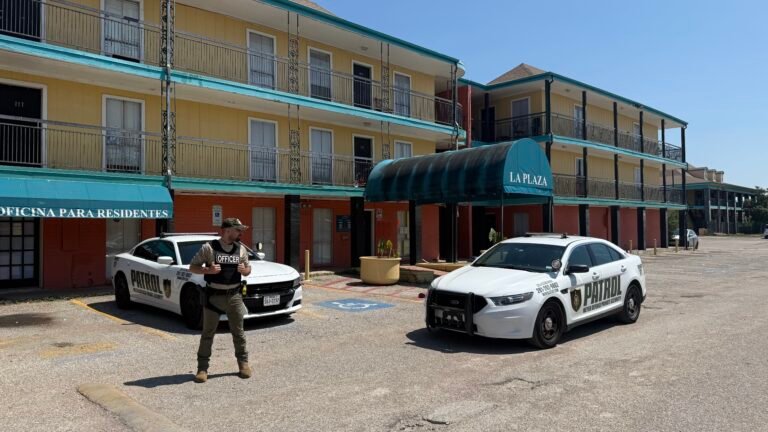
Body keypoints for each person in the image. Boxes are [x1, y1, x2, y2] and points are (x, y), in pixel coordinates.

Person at [188, 217, 252, 383]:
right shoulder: (209, 248)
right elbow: (192, 267)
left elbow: (248, 269)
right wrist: (208, 270)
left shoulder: (241, 249)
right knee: (208, 334)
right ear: (228, 230)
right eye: (238, 230)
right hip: (213, 297)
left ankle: (243, 363)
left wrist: (244, 270)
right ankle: (202, 368)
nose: (240, 233)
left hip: (235, 296)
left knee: (239, 333)